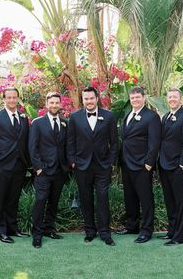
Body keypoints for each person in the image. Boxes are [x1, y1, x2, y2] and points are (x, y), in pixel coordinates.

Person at [67, 86, 118, 246]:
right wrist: (73, 161)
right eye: (86, 99)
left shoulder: (109, 116)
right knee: (85, 198)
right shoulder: (75, 117)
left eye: (91, 98)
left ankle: (105, 232)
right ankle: (90, 231)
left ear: (97, 99)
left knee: (103, 198)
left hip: (102, 166)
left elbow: (115, 142)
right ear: (83, 100)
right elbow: (70, 142)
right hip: (82, 165)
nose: (88, 101)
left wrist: (110, 161)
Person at [117, 86, 161, 243]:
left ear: (143, 98)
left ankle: (147, 230)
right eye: (132, 97)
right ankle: (132, 226)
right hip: (126, 164)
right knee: (130, 197)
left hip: (142, 165)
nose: (135, 100)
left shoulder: (151, 116)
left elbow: (154, 142)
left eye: (137, 97)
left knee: (145, 198)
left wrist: (149, 162)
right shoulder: (128, 115)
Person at [0, 87, 30, 243]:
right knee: (1, 199)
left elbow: (24, 141)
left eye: (14, 97)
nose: (12, 100)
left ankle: (12, 228)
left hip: (20, 165)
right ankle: (1, 231)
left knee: (14, 198)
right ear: (4, 99)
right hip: (3, 165)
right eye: (9, 97)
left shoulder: (24, 118)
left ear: (18, 98)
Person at [29, 92, 69, 248]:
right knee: (40, 201)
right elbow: (32, 147)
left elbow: (66, 146)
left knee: (54, 202)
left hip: (60, 170)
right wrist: (38, 168)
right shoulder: (38, 123)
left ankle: (48, 229)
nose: (54, 105)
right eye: (51, 103)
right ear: (46, 104)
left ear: (60, 104)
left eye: (57, 103)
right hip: (44, 171)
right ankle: (37, 234)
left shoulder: (65, 122)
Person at [158, 88, 183, 246]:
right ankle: (172, 231)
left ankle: (179, 236)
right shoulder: (166, 116)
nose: (172, 99)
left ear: (180, 99)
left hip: (178, 166)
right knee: (169, 200)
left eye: (175, 97)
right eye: (170, 97)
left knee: (180, 201)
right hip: (164, 165)